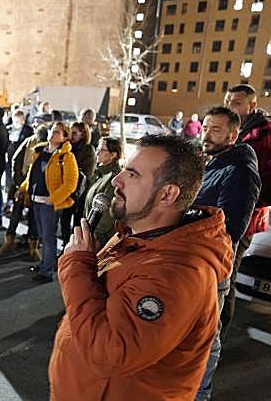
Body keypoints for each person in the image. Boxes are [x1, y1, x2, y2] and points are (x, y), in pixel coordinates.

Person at [49, 134, 233, 400]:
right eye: (123, 168)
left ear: (167, 194)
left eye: (132, 174)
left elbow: (111, 353)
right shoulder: (132, 239)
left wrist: (77, 266)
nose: (116, 180)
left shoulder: (177, 274)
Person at [193, 106, 261, 401]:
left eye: (215, 130)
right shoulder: (211, 163)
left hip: (211, 266)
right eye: (205, 128)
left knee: (206, 337)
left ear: (233, 135)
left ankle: (200, 394)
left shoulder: (240, 172)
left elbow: (229, 229)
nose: (206, 135)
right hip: (193, 262)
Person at [223, 83, 271, 342]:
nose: (230, 106)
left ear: (252, 105)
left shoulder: (264, 136)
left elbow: (267, 186)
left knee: (225, 277)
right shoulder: (230, 130)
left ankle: (217, 338)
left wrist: (243, 202)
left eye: (237, 102)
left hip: (243, 220)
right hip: (217, 215)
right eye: (228, 100)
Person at [16, 122, 78, 282]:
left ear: (64, 138)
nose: (53, 133)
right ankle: (45, 264)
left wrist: (53, 199)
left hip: (49, 203)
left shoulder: (66, 156)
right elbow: (31, 175)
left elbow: (70, 183)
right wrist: (22, 189)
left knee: (48, 238)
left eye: (58, 132)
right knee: (43, 236)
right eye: (52, 130)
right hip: (36, 200)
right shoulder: (40, 151)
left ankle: (46, 271)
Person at [0, 124, 49, 260]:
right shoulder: (38, 145)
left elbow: (16, 159)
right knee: (29, 217)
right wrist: (19, 182)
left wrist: (18, 180)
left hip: (31, 185)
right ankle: (30, 247)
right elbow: (17, 159)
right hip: (29, 185)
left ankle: (16, 243)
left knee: (20, 215)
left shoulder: (32, 142)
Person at [59, 121, 96, 244]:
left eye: (75, 133)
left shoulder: (88, 149)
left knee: (77, 220)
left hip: (80, 191)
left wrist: (73, 170)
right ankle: (66, 242)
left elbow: (88, 173)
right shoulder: (67, 146)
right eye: (71, 132)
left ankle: (74, 243)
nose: (72, 136)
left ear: (83, 134)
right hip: (66, 188)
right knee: (64, 219)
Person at [83, 137, 122, 248]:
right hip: (90, 230)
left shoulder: (114, 178)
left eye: (101, 150)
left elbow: (108, 213)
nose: (97, 153)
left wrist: (96, 235)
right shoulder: (100, 173)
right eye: (97, 149)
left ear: (113, 154)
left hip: (100, 238)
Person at [4, 109, 34, 209]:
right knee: (9, 181)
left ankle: (19, 204)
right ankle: (9, 201)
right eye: (15, 120)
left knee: (18, 181)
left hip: (21, 160)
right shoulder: (8, 129)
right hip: (9, 159)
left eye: (19, 120)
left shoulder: (28, 131)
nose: (17, 123)